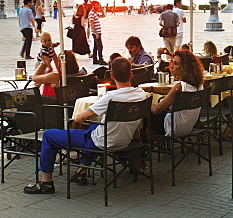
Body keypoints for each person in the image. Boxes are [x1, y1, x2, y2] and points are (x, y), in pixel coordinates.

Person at [24, 57, 149, 193]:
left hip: (102, 142)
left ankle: (46, 182)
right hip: (124, 141)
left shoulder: (110, 97)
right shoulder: (141, 94)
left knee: (49, 136)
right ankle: (81, 171)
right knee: (92, 128)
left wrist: (91, 113)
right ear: (131, 75)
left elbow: (78, 118)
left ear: (112, 76)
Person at [150, 49, 205, 136]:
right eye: (171, 62)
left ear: (184, 67)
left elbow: (157, 109)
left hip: (174, 127)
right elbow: (170, 91)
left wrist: (145, 102)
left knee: (149, 114)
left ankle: (147, 146)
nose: (171, 66)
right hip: (189, 125)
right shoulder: (199, 85)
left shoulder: (179, 87)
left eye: (175, 64)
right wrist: (151, 89)